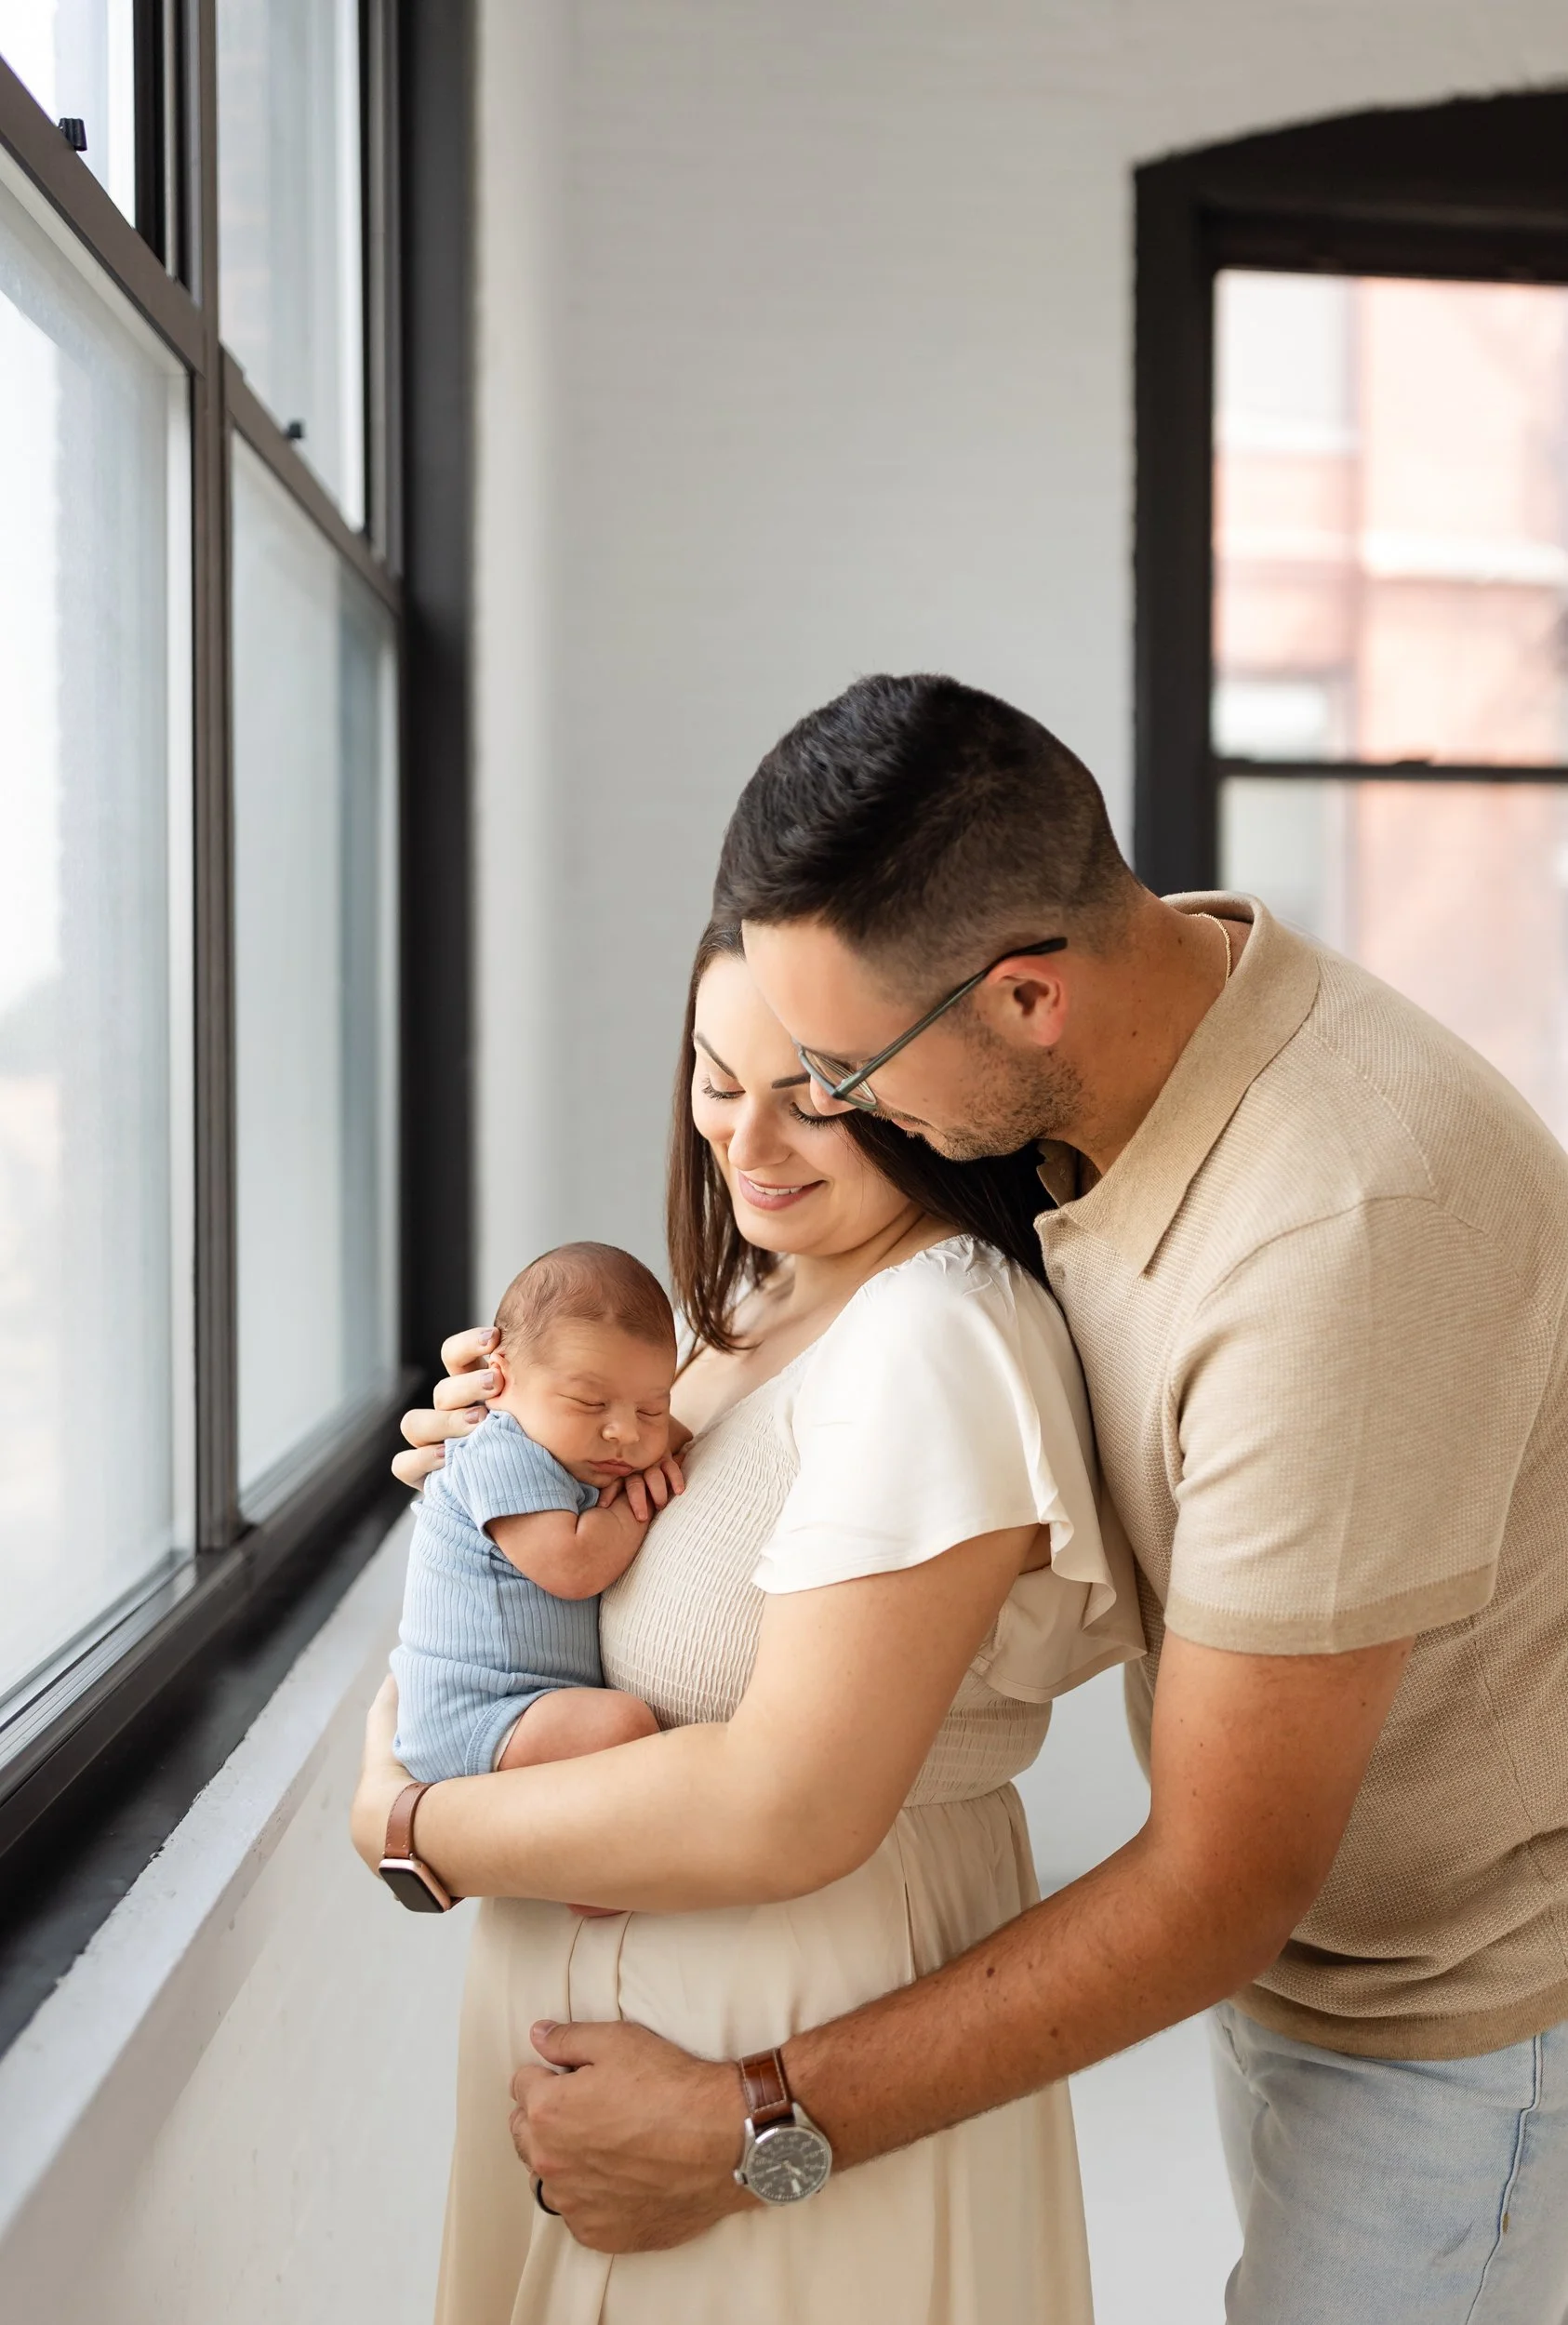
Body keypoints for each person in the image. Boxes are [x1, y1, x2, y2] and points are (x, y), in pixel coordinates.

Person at [473, 672, 1568, 2324]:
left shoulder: (1339, 1228)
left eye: (839, 1071)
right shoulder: (1117, 1051)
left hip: (1458, 2021)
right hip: (1313, 1964)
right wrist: (527, 1442)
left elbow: (1219, 1881)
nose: (812, 1121)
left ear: (1027, 997)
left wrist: (749, 2124)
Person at [354, 919, 1142, 2324]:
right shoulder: (734, 1313)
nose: (752, 1142)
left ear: (933, 1076)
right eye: (719, 1079)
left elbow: (789, 1808)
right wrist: (501, 1461)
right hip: (605, 2061)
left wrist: (408, 1830)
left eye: (820, 1088)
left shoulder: (933, 1336)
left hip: (782, 2055)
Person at [390, 1243, 684, 1787]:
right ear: (498, 1380)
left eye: (651, 1408)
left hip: (527, 1703)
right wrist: (634, 1505)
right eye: (589, 1403)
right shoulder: (499, 1447)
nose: (625, 1431)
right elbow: (573, 1566)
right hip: (477, 1711)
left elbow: (685, 1438)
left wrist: (664, 1444)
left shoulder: (583, 1449)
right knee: (624, 1724)